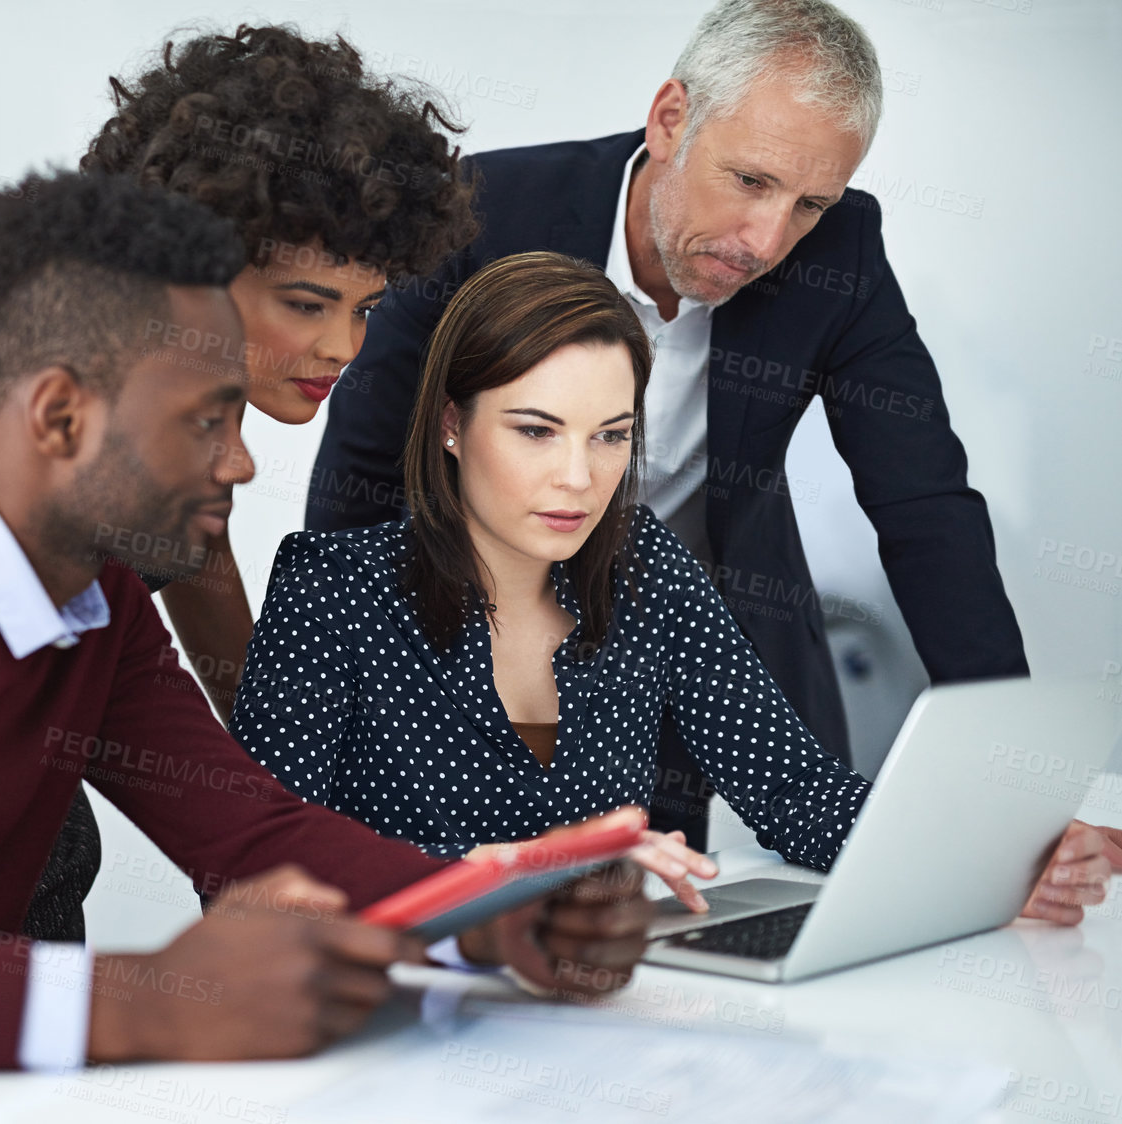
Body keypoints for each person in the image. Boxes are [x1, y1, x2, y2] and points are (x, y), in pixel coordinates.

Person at [0, 173, 654, 1075]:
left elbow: (250, 830)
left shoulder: (98, 602)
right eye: (201, 420)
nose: (236, 462)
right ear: (58, 415)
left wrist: (483, 914)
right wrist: (135, 1000)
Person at [303, 0, 1031, 853]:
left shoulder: (841, 252)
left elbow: (926, 506)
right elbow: (365, 470)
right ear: (669, 118)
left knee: (661, 926)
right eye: (750, 181)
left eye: (807, 204)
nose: (765, 239)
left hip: (698, 646)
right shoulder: (482, 213)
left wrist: (1008, 792)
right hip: (463, 638)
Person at [0, 23, 480, 944]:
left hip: (27, 906)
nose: (343, 348)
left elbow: (203, 657)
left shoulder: (174, 393)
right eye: (306, 304)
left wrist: (483, 890)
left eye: (364, 310)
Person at [231, 251, 1113, 925]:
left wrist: (993, 857)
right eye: (536, 432)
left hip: (606, 1007)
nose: (579, 478)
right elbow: (254, 880)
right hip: (395, 1017)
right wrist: (517, 869)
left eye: (609, 435)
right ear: (453, 425)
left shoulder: (640, 565)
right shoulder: (331, 591)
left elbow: (796, 791)